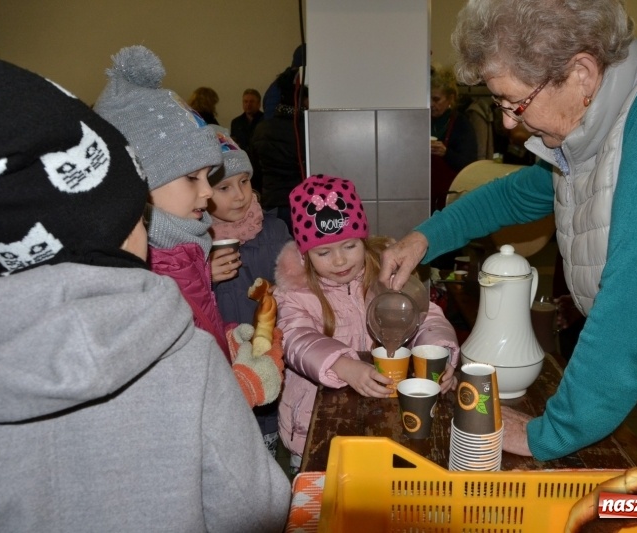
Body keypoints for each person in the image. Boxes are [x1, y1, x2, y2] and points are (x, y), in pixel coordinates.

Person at [380, 0, 637, 472]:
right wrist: (423, 238)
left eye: (515, 103)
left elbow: (634, 303)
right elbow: (518, 195)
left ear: (581, 73)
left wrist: (550, 432)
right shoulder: (594, 135)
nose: (508, 122)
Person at [0, 59, 290, 532]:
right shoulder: (183, 354)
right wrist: (241, 377)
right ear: (118, 214)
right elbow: (256, 507)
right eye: (140, 214)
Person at [94, 45, 283, 409]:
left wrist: (227, 341)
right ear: (140, 181)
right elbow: (162, 397)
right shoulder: (143, 276)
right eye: (192, 178)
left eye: (208, 176)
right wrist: (242, 386)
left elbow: (193, 339)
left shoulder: (184, 251)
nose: (207, 191)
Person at [273, 174, 461, 473]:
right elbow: (295, 338)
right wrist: (342, 365)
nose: (339, 261)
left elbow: (425, 317)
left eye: (349, 246)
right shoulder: (294, 293)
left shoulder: (386, 277)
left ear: (363, 240)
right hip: (317, 430)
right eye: (324, 252)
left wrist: (439, 354)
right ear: (305, 255)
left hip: (385, 417)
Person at [207, 132, 292, 457]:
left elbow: (298, 282)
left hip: (269, 342)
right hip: (223, 351)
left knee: (268, 402)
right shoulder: (196, 242)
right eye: (224, 187)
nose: (240, 195)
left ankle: (270, 446)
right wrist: (205, 275)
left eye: (244, 181)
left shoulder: (275, 229)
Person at [249, 67, 308, 235]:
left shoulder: (262, 128)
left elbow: (253, 171)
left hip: (271, 203)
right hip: (301, 203)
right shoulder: (307, 129)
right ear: (303, 99)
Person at [430, 65, 477, 213]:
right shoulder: (423, 121)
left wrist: (446, 153)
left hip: (450, 198)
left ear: (450, 98)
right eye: (428, 99)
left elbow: (469, 165)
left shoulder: (461, 124)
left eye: (436, 99)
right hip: (426, 195)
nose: (431, 104)